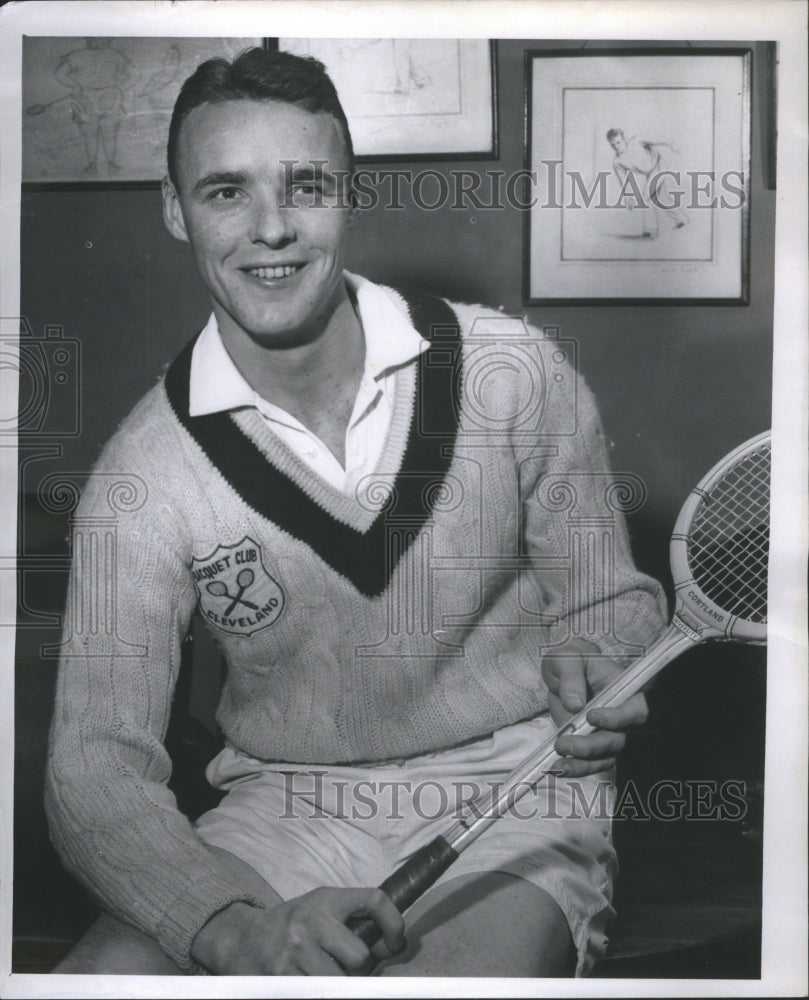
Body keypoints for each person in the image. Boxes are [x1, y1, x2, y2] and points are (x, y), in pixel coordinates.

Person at [45, 48, 667, 978]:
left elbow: (609, 604)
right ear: (177, 212)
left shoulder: (517, 372)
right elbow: (92, 771)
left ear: (348, 194)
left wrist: (598, 662)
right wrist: (230, 923)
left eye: (304, 186)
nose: (271, 229)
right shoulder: (140, 481)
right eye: (225, 193)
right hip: (279, 811)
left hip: (506, 793)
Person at [606, 127, 689, 237]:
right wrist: (628, 196)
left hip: (659, 164)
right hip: (650, 173)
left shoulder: (636, 141)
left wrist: (671, 144)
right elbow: (624, 180)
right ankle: (682, 219)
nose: (616, 147)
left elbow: (657, 139)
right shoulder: (617, 162)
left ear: (624, 139)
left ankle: (650, 231)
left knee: (646, 198)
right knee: (658, 199)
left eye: (618, 142)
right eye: (613, 145)